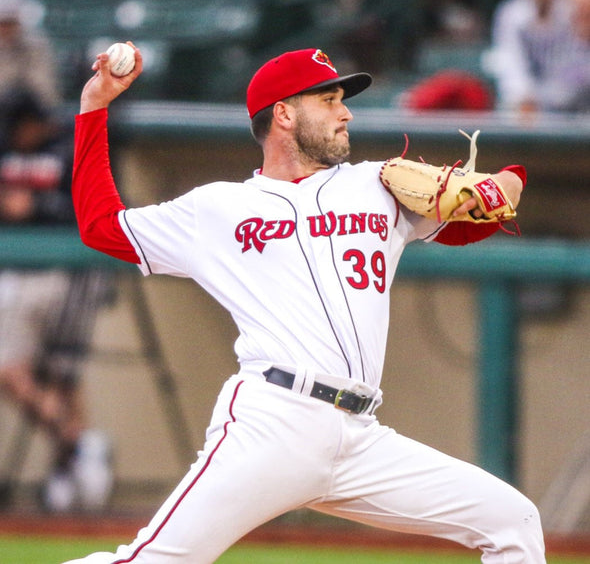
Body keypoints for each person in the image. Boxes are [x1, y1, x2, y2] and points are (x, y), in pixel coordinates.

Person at [64, 45, 545, 563]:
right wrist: (95, 105)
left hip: (360, 436)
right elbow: (100, 227)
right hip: (274, 421)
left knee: (512, 522)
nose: (346, 112)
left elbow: (477, 218)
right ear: (285, 113)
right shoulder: (217, 208)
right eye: (330, 98)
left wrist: (502, 185)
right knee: (156, 560)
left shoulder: (377, 183)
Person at [0, 90, 113, 513]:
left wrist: (37, 206)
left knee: (62, 374)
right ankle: (80, 445)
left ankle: (70, 461)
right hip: (17, 273)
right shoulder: (6, 149)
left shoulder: (63, 149)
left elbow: (86, 205)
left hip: (63, 271)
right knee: (11, 369)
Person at [488, 0, 589, 113]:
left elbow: (578, 62)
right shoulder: (512, 13)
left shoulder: (569, 11)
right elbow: (510, 61)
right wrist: (523, 96)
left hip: (569, 104)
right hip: (524, 105)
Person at [0, 0, 61, 109]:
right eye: (2, 24)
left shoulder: (35, 45)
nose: (5, 29)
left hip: (27, 116)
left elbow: (46, 93)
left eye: (9, 23)